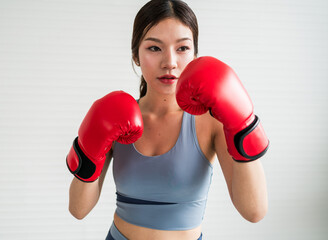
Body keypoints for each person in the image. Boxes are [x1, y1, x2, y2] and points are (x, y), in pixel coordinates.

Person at [66, 0, 269, 239]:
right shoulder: (116, 118)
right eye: (154, 48)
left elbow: (254, 211)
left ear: (195, 54)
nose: (169, 62)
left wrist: (241, 122)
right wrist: (89, 145)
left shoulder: (209, 122)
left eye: (182, 48)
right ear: (136, 55)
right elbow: (78, 210)